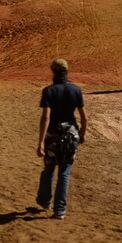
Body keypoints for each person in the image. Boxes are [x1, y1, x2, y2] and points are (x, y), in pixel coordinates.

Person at [35, 58, 86, 219]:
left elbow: (46, 118)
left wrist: (41, 142)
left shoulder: (48, 91)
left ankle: (44, 201)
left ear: (53, 72)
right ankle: (60, 210)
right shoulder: (76, 90)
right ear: (66, 71)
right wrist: (82, 135)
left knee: (49, 170)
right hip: (71, 134)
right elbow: (84, 118)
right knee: (64, 172)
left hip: (53, 135)